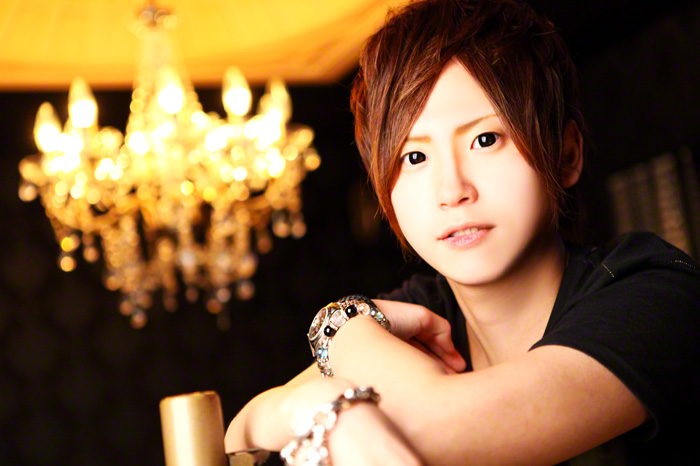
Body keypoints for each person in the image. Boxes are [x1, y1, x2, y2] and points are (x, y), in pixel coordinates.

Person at [225, 0, 700, 464]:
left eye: (485, 139)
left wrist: (342, 331)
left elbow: (433, 425)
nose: (452, 191)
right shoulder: (422, 312)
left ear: (566, 154)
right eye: (414, 156)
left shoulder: (658, 297)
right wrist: (301, 403)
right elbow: (235, 442)